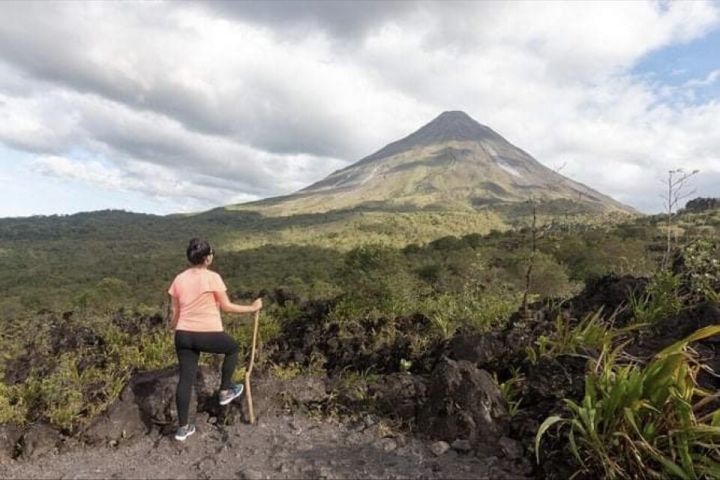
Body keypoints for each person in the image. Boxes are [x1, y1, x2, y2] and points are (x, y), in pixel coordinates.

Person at [168, 238, 262, 441]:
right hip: (207, 333)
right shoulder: (212, 278)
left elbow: (174, 312)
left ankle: (182, 429)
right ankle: (225, 390)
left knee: (185, 379)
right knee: (232, 348)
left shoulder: (179, 279)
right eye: (211, 253)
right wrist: (252, 308)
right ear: (207, 258)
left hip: (183, 335)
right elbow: (227, 306)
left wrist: (175, 327)